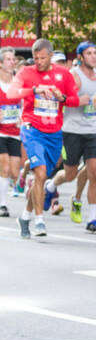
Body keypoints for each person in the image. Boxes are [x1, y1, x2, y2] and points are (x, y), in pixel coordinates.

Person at [7, 39, 80, 238]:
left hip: (54, 132)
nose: (38, 62)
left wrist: (61, 97)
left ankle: (25, 215)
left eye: (42, 58)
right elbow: (12, 93)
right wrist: (33, 90)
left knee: (42, 177)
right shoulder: (26, 73)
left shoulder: (63, 74)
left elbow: (75, 100)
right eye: (36, 58)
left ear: (50, 56)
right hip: (32, 128)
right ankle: (39, 220)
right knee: (39, 173)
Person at [56, 42, 96, 233]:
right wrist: (79, 100)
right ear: (80, 57)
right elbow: (62, 99)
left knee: (94, 173)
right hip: (73, 130)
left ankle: (92, 219)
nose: (94, 56)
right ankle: (51, 186)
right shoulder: (74, 76)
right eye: (89, 53)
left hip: (94, 130)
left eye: (95, 52)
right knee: (70, 174)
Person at [0, 47, 23, 217]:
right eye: (8, 59)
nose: (12, 62)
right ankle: (2, 204)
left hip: (14, 131)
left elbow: (24, 105)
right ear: (1, 64)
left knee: (15, 171)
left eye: (13, 59)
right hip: (0, 132)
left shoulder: (18, 82)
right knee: (5, 167)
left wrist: (22, 118)